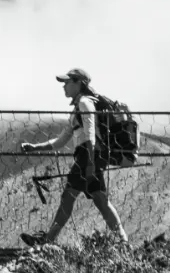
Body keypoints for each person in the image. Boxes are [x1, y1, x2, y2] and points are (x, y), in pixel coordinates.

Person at [19, 67, 128, 246]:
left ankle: (48, 240)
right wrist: (34, 147)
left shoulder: (85, 103)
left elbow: (91, 133)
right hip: (92, 155)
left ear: (79, 84)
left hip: (88, 155)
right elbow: (61, 141)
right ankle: (123, 241)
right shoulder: (77, 108)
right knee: (101, 200)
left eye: (67, 82)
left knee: (68, 196)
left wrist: (91, 162)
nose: (64, 86)